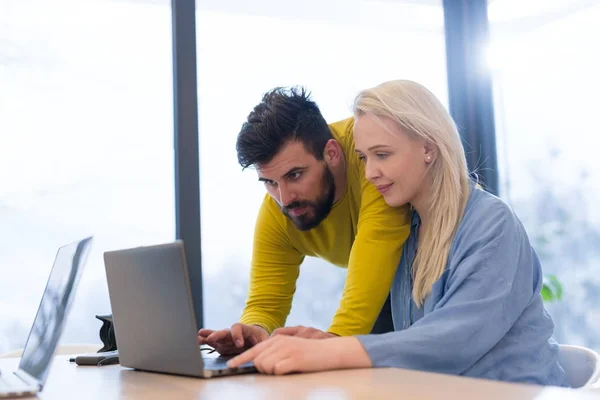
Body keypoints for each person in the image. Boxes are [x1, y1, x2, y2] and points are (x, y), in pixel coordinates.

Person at [226, 80, 568, 386]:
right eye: (363, 158)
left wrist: (330, 350)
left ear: (428, 149)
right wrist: (318, 343)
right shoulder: (410, 237)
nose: (371, 174)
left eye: (382, 155)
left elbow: (453, 342)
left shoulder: (492, 224)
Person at [198, 87, 411, 354]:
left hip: (438, 268)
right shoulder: (278, 211)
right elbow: (265, 304)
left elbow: (379, 242)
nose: (285, 199)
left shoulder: (369, 160)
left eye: (295, 175)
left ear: (331, 154)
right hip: (387, 290)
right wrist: (250, 332)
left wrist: (335, 338)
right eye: (270, 182)